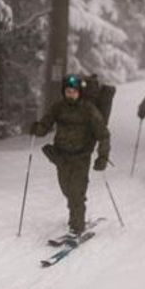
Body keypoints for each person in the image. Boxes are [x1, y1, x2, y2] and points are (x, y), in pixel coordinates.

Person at [30, 74, 111, 235]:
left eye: (73, 91)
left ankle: (76, 226)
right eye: (68, 91)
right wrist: (38, 129)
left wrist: (102, 157)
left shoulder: (89, 109)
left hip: (81, 156)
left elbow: (103, 134)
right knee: (66, 189)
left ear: (79, 92)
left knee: (76, 191)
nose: (71, 94)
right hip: (61, 156)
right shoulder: (58, 107)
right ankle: (76, 212)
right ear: (64, 92)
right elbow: (46, 124)